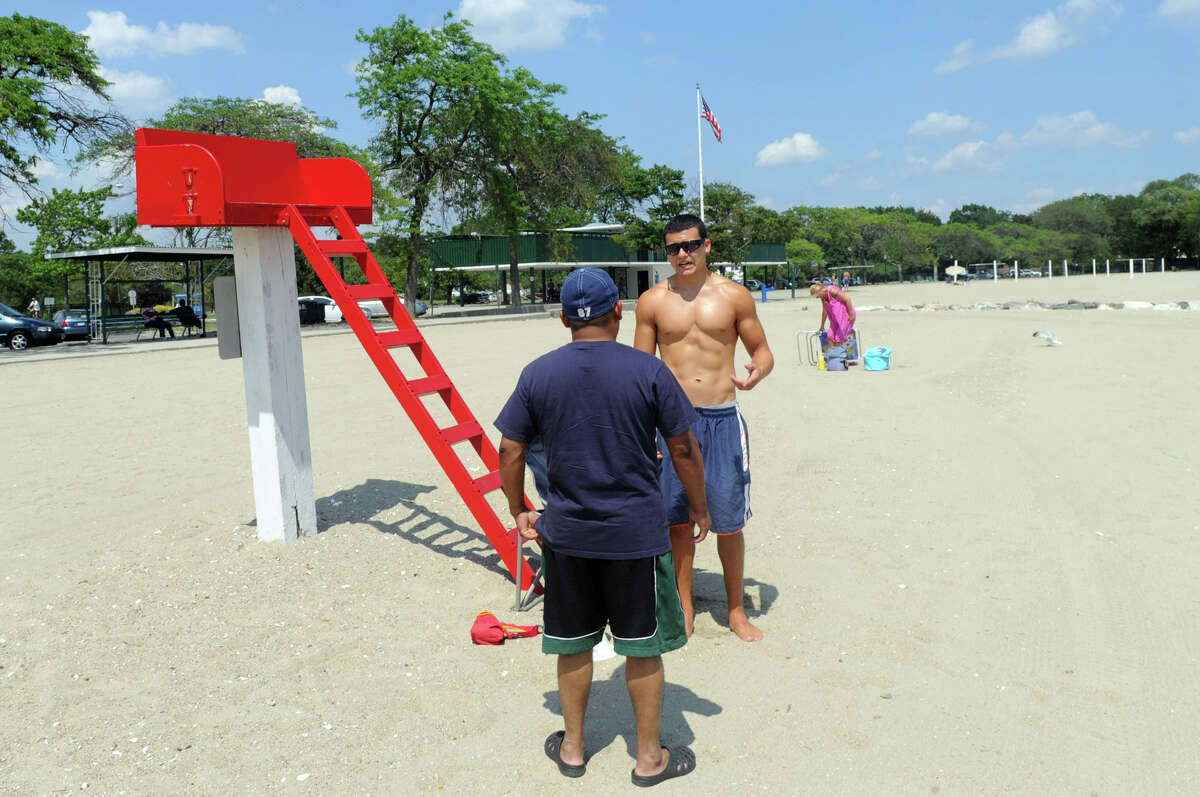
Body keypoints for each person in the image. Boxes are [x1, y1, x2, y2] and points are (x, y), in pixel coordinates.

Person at [496, 267, 710, 786]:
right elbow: (682, 447)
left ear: (563, 318)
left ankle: (572, 747)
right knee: (642, 648)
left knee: (572, 642)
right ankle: (649, 758)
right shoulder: (648, 370)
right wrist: (700, 507)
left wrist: (518, 507)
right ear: (619, 311)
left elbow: (510, 447)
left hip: (567, 535)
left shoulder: (538, 373)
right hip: (634, 536)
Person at [634, 213, 774, 642]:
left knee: (729, 521)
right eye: (673, 247)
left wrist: (758, 371)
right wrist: (643, 433)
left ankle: (735, 610)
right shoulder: (652, 301)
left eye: (690, 245)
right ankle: (684, 605)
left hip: (721, 419)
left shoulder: (734, 296)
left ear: (706, 246)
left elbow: (762, 351)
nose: (682, 254)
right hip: (671, 425)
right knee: (676, 520)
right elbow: (639, 370)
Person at [810, 280, 856, 345]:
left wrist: (851, 315)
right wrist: (822, 326)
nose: (817, 298)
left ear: (820, 291)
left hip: (846, 316)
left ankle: (842, 349)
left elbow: (847, 299)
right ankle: (835, 351)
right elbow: (824, 311)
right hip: (835, 319)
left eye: (817, 296)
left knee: (838, 339)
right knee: (830, 338)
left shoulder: (832, 291)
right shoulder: (823, 297)